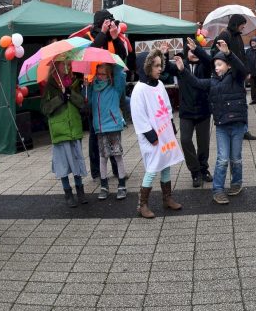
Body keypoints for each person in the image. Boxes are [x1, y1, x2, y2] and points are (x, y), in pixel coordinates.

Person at [176, 38, 248, 204]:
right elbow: (195, 82)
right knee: (222, 159)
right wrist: (183, 70)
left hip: (237, 125)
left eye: (220, 64)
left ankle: (236, 183)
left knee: (236, 158)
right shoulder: (212, 82)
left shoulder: (237, 77)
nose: (216, 67)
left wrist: (229, 53)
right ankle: (218, 190)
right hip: (222, 126)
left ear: (228, 65)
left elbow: (242, 69)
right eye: (215, 65)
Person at [131, 49, 184, 218]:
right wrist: (150, 135)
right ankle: (142, 204)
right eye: (155, 66)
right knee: (153, 167)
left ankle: (167, 198)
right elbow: (138, 115)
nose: (159, 69)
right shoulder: (139, 89)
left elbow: (166, 107)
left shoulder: (159, 84)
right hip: (151, 135)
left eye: (160, 65)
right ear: (146, 67)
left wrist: (171, 125)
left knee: (166, 162)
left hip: (164, 131)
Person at [84, 9, 127, 184]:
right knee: (96, 133)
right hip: (93, 88)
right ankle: (97, 172)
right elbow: (91, 52)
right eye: (108, 22)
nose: (111, 25)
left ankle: (118, 169)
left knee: (113, 132)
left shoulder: (112, 37)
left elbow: (122, 56)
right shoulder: (89, 37)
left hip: (112, 87)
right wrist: (102, 33)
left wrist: (115, 37)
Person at [41, 61, 88, 207]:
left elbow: (81, 103)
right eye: (62, 64)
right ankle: (67, 192)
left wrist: (70, 94)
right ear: (56, 66)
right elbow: (45, 108)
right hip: (60, 131)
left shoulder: (73, 82)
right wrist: (60, 98)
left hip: (74, 129)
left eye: (67, 64)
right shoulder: (50, 85)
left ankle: (80, 191)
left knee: (76, 161)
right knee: (63, 164)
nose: (66, 66)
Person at [166, 42, 213, 187]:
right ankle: (195, 171)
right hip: (186, 112)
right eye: (190, 51)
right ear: (185, 52)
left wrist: (197, 50)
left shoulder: (205, 66)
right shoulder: (182, 65)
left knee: (203, 143)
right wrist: (164, 55)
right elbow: (167, 68)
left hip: (203, 110)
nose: (192, 53)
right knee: (185, 140)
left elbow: (208, 61)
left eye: (194, 51)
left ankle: (204, 169)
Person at [214, 13, 256, 141]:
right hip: (229, 75)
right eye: (242, 25)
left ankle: (244, 130)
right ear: (236, 24)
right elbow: (218, 54)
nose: (243, 28)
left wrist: (246, 71)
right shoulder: (224, 35)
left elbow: (242, 55)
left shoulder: (238, 36)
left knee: (242, 102)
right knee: (230, 102)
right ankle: (230, 127)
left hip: (240, 74)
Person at [89, 63, 128, 200]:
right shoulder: (93, 87)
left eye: (103, 74)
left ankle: (122, 184)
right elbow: (88, 102)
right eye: (98, 73)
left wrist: (112, 62)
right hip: (100, 127)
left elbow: (121, 76)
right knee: (103, 157)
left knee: (117, 155)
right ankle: (104, 185)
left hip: (113, 125)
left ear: (109, 75)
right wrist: (85, 86)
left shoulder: (115, 88)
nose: (99, 76)